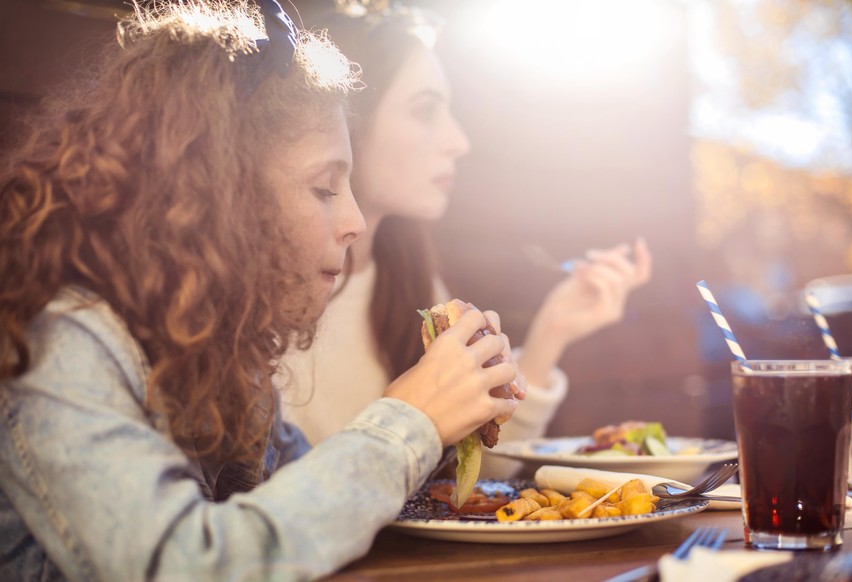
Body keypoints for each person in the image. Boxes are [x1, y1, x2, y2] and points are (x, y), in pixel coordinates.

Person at [0, 1, 521, 579]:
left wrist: (451, 417)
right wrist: (410, 420)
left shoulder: (221, 353)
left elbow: (305, 507)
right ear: (216, 198)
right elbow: (187, 565)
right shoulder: (62, 345)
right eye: (325, 188)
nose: (355, 221)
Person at [278, 1, 652, 476]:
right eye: (426, 110)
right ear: (344, 119)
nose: (459, 141)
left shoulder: (407, 279)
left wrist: (551, 333)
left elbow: (465, 480)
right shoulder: (276, 299)